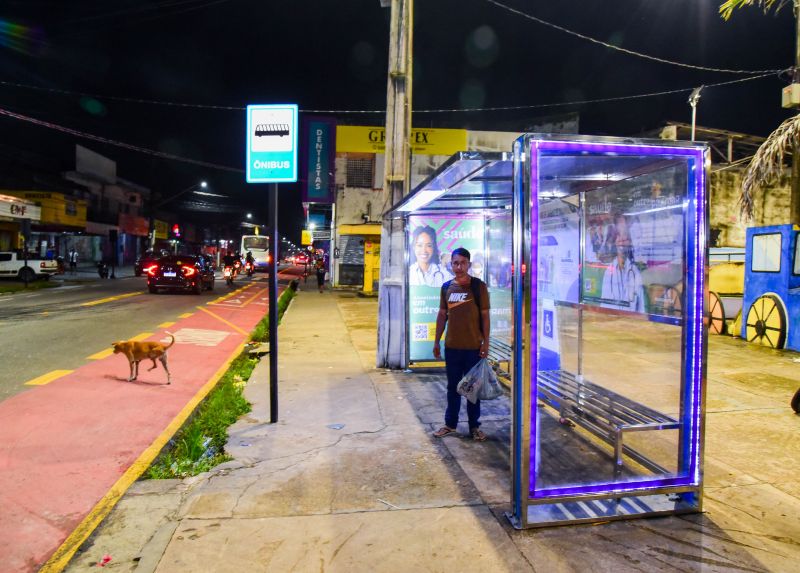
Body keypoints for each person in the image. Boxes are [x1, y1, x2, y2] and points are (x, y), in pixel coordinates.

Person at [432, 247, 491, 442]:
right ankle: (450, 425)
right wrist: (436, 341)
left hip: (473, 348)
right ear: (451, 265)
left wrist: (486, 343)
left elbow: (485, 316)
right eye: (455, 263)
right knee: (452, 389)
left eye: (462, 263)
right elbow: (442, 315)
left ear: (469, 264)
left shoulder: (478, 287)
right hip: (452, 348)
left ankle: (475, 427)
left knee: (472, 390)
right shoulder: (446, 287)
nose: (458, 267)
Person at [600, 214, 645, 313]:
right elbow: (603, 307)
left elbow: (641, 310)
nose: (622, 240)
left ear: (630, 241)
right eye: (618, 235)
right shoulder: (608, 272)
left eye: (625, 236)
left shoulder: (635, 273)